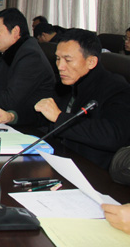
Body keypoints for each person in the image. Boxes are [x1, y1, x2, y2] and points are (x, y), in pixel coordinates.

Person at [34, 29, 130, 169]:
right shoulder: (66, 83)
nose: (60, 66)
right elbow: (44, 119)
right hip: (59, 158)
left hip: (92, 170)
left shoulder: (117, 88)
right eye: (58, 58)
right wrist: (13, 116)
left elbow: (114, 135)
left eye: (68, 60)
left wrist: (60, 118)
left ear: (91, 62)